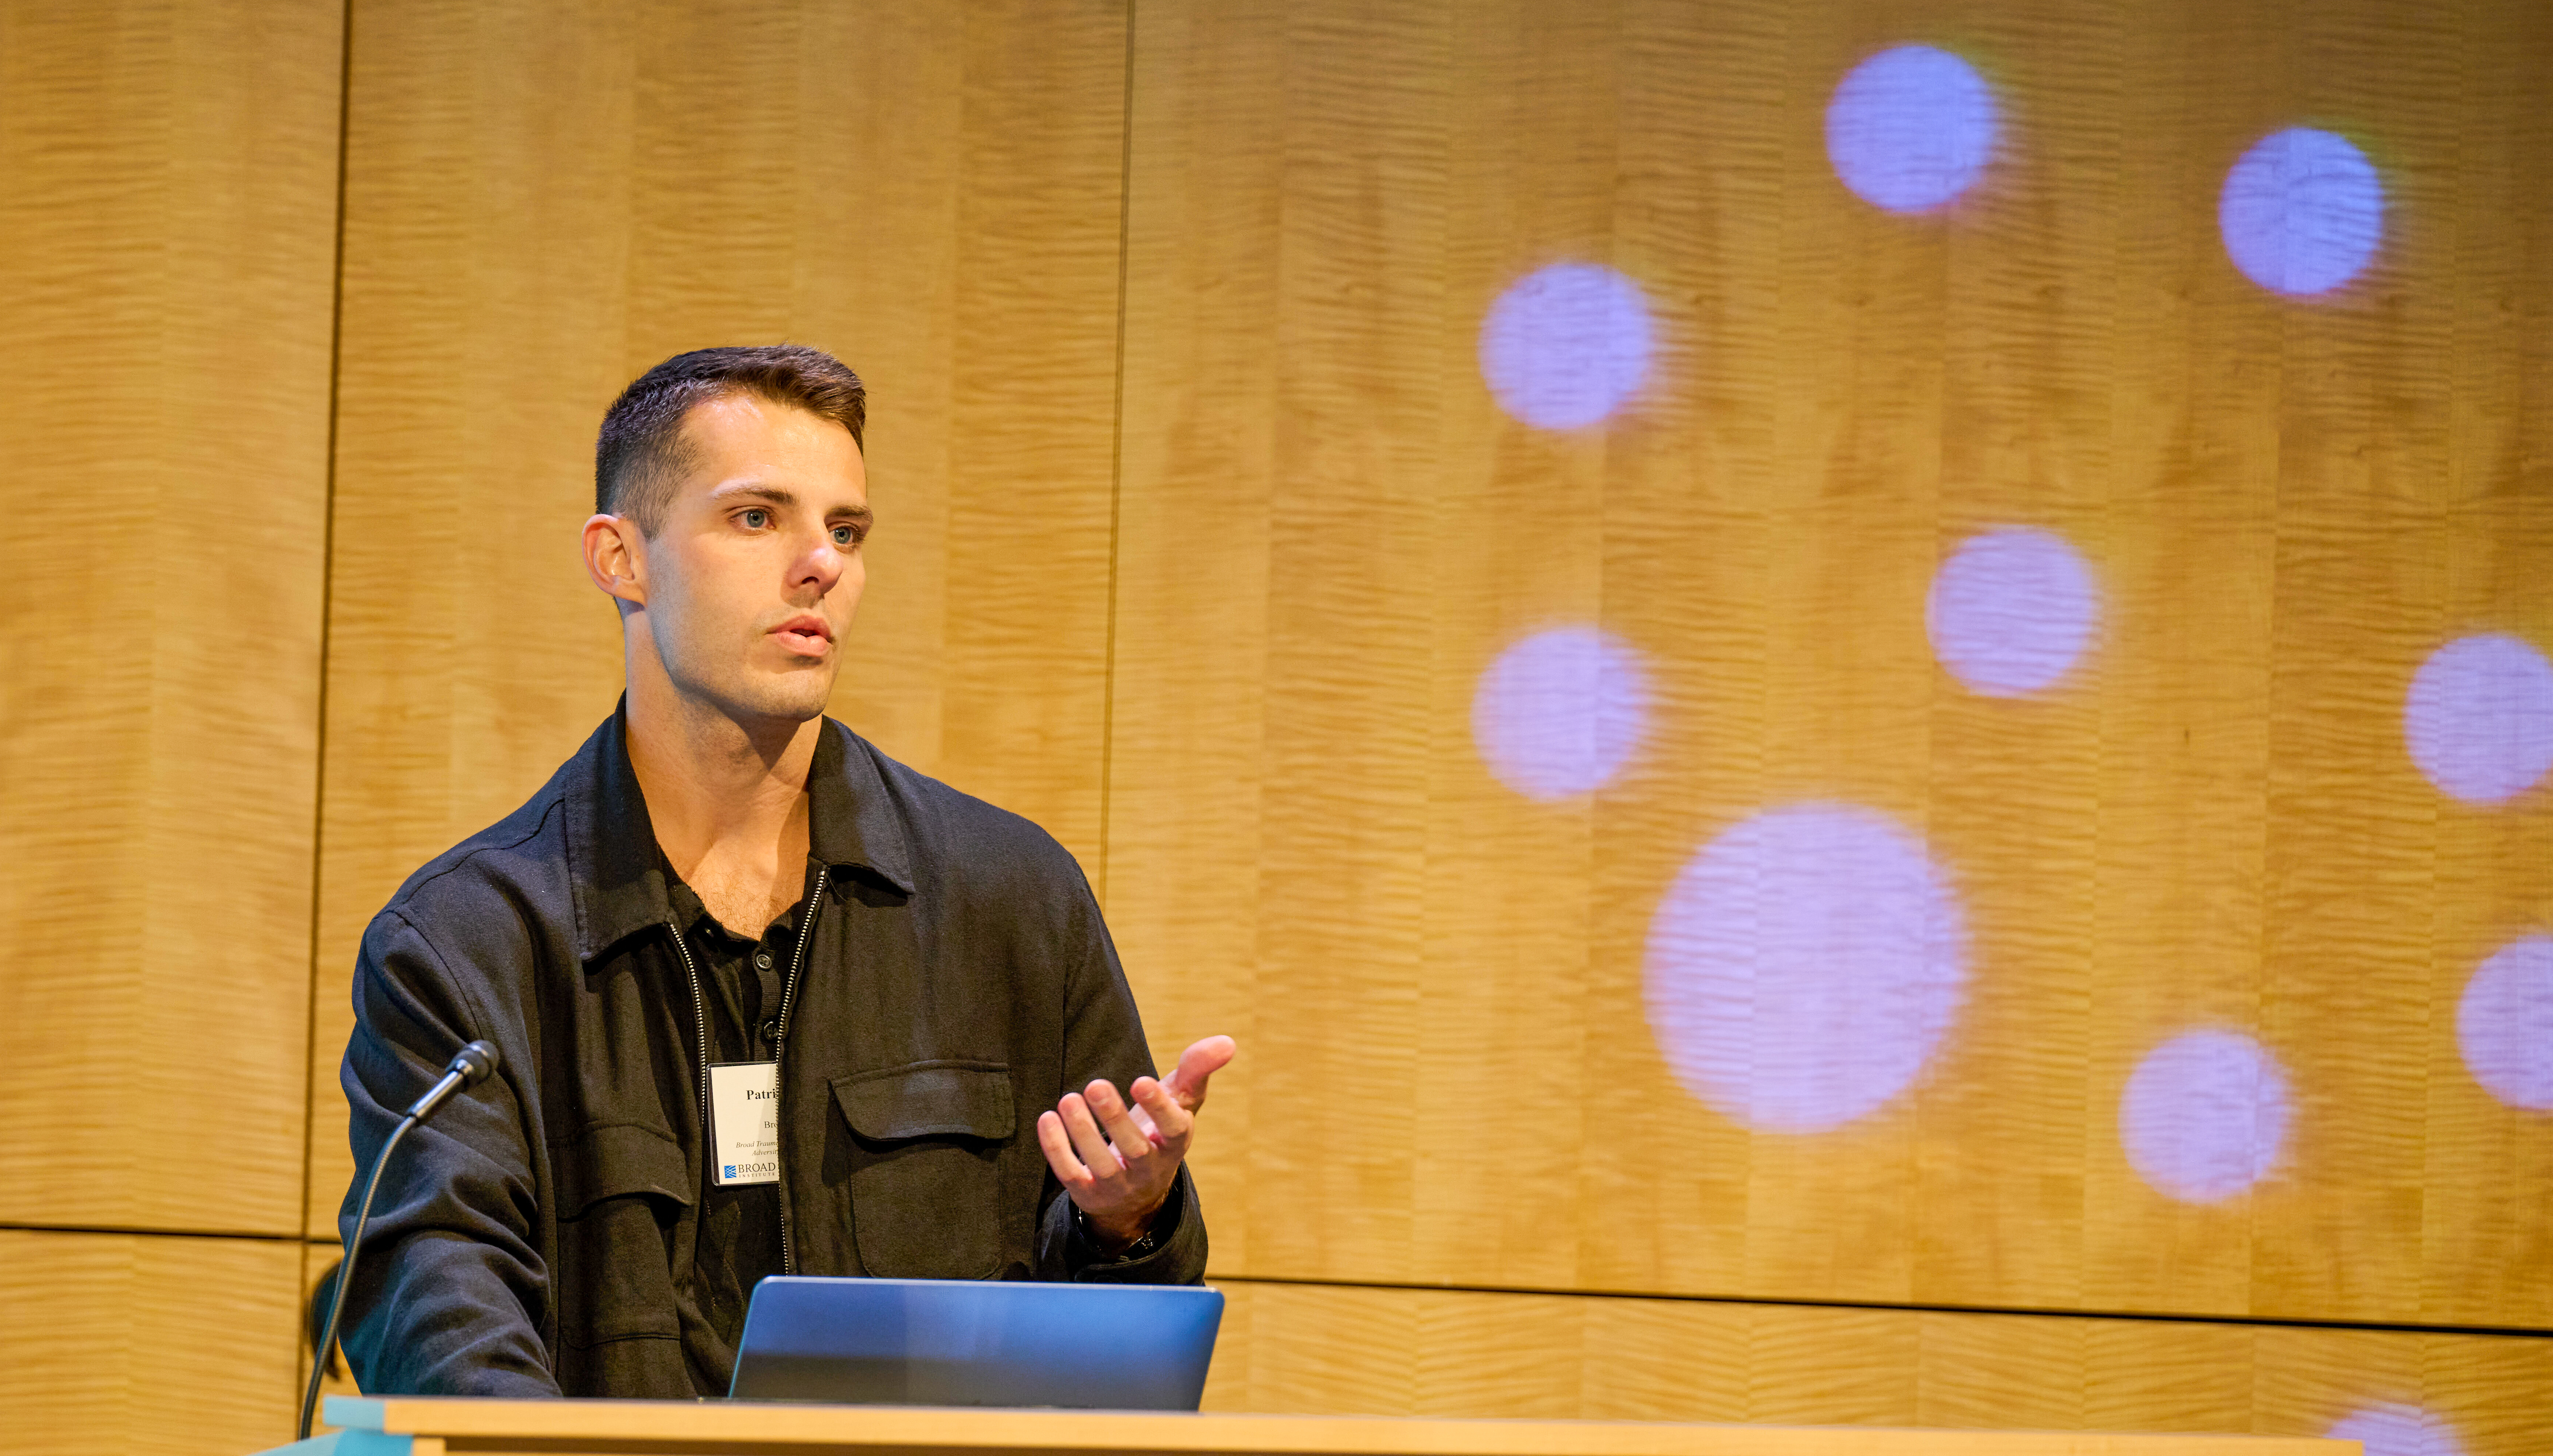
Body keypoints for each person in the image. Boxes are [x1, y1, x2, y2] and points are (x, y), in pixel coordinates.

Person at [334, 344, 1233, 1400]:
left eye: (845, 531)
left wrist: (1127, 1219)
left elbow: (1116, 1376)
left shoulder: (1012, 901)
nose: (821, 564)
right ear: (621, 558)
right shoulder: (466, 943)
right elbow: (436, 1326)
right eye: (757, 517)